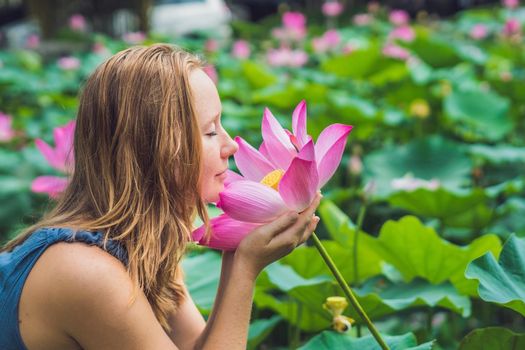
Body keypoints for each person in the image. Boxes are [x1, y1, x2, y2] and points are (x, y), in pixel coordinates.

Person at [0, 44, 321, 349]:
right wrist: (246, 268)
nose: (231, 145)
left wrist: (237, 258)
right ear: (159, 151)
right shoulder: (87, 272)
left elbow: (196, 346)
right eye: (211, 131)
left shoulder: (139, 245)